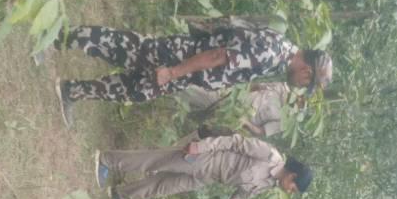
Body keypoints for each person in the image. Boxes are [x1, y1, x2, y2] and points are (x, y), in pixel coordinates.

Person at [53, 22, 332, 125]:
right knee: (122, 47)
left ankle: (72, 90)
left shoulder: (281, 54)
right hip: (182, 58)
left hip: (187, 70)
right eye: (305, 84)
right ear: (307, 71)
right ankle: (56, 36)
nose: (299, 86)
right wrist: (173, 72)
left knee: (136, 90)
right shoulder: (273, 53)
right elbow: (218, 56)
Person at [93, 133, 313, 199]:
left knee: (161, 187)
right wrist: (201, 147)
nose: (289, 191)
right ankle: (106, 160)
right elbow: (235, 141)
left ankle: (120, 195)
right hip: (206, 157)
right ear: (293, 176)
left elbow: (240, 197)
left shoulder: (269, 184)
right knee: (155, 161)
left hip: (207, 177)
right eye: (293, 188)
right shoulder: (269, 155)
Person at [180, 79, 293, 139]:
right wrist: (235, 89)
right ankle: (176, 89)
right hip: (231, 98)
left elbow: (262, 131)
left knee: (202, 133)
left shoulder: (286, 121)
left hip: (234, 122)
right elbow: (255, 86)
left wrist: (246, 123)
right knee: (199, 94)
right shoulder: (281, 86)